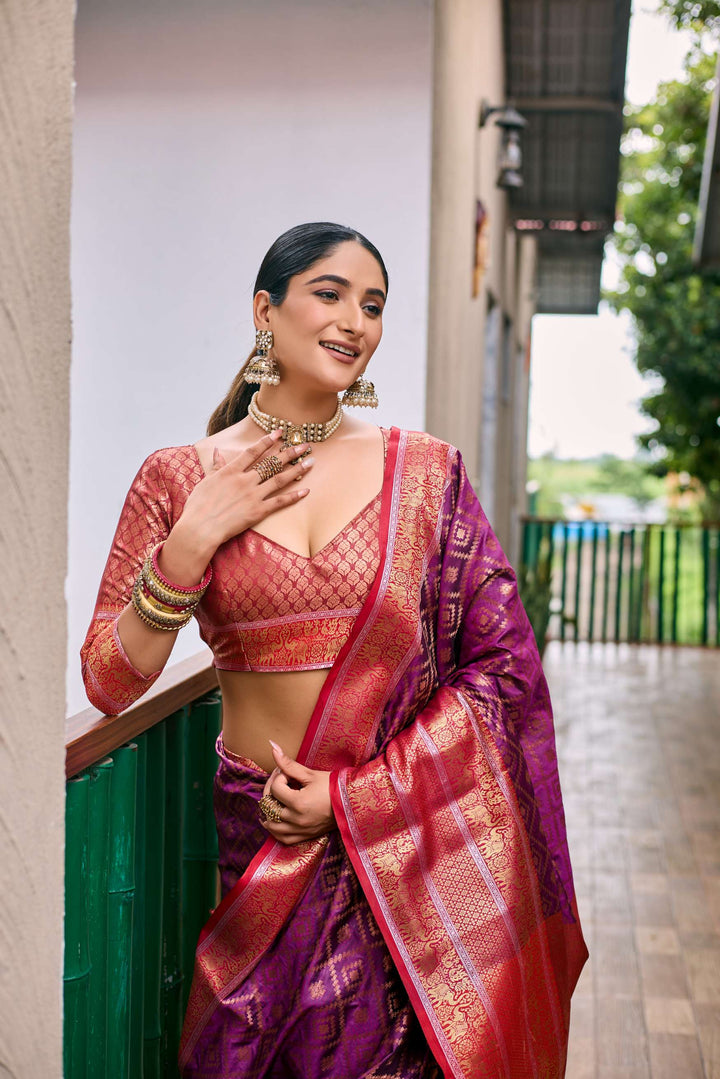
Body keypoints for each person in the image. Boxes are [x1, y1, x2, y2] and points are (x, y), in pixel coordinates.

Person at [81, 221, 587, 1078]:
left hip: (396, 861)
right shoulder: (178, 477)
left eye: (374, 304)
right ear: (264, 311)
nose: (356, 320)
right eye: (330, 293)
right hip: (261, 853)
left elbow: (503, 669)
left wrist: (355, 799)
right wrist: (189, 547)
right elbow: (107, 680)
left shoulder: (427, 474)